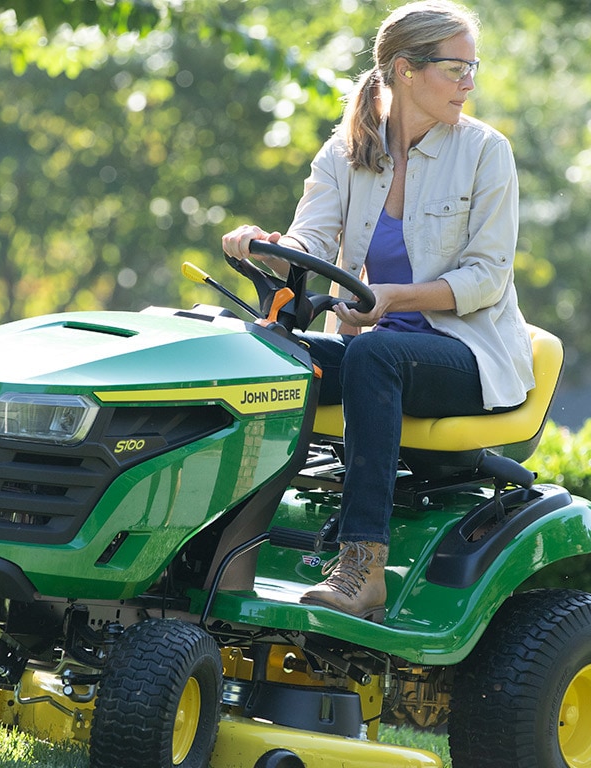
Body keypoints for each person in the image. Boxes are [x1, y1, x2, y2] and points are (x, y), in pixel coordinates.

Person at [221, 0, 533, 621]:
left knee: (374, 351)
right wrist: (270, 248)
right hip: (380, 350)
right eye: (456, 67)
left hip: (468, 356)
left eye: (474, 67)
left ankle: (361, 566)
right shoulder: (344, 154)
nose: (469, 82)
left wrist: (394, 300)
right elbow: (308, 244)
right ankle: (229, 550)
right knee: (267, 357)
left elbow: (487, 279)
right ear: (405, 70)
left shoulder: (485, 152)